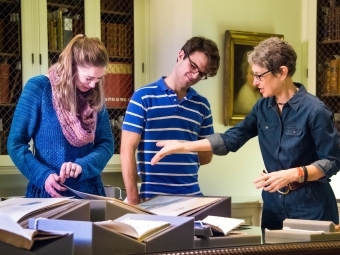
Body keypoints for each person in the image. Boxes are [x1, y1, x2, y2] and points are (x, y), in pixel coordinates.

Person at [151, 37, 340, 231]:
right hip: (273, 207)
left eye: (260, 75)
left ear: (282, 72)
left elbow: (332, 161)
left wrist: (294, 174)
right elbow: (231, 138)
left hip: (312, 208)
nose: (255, 82)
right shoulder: (262, 107)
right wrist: (184, 146)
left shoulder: (315, 110)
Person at [7, 34, 114, 198]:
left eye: (98, 79)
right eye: (89, 77)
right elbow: (15, 143)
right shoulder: (39, 88)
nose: (93, 84)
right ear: (71, 67)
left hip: (89, 195)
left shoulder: (95, 96)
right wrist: (43, 176)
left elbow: (106, 144)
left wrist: (83, 166)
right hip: (46, 195)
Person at [121, 36, 220, 205]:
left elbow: (207, 156)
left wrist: (182, 150)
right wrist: (132, 199)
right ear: (181, 55)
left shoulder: (202, 105)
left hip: (192, 199)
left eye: (202, 74)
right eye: (193, 66)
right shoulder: (143, 97)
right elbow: (126, 150)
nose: (195, 75)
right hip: (151, 199)